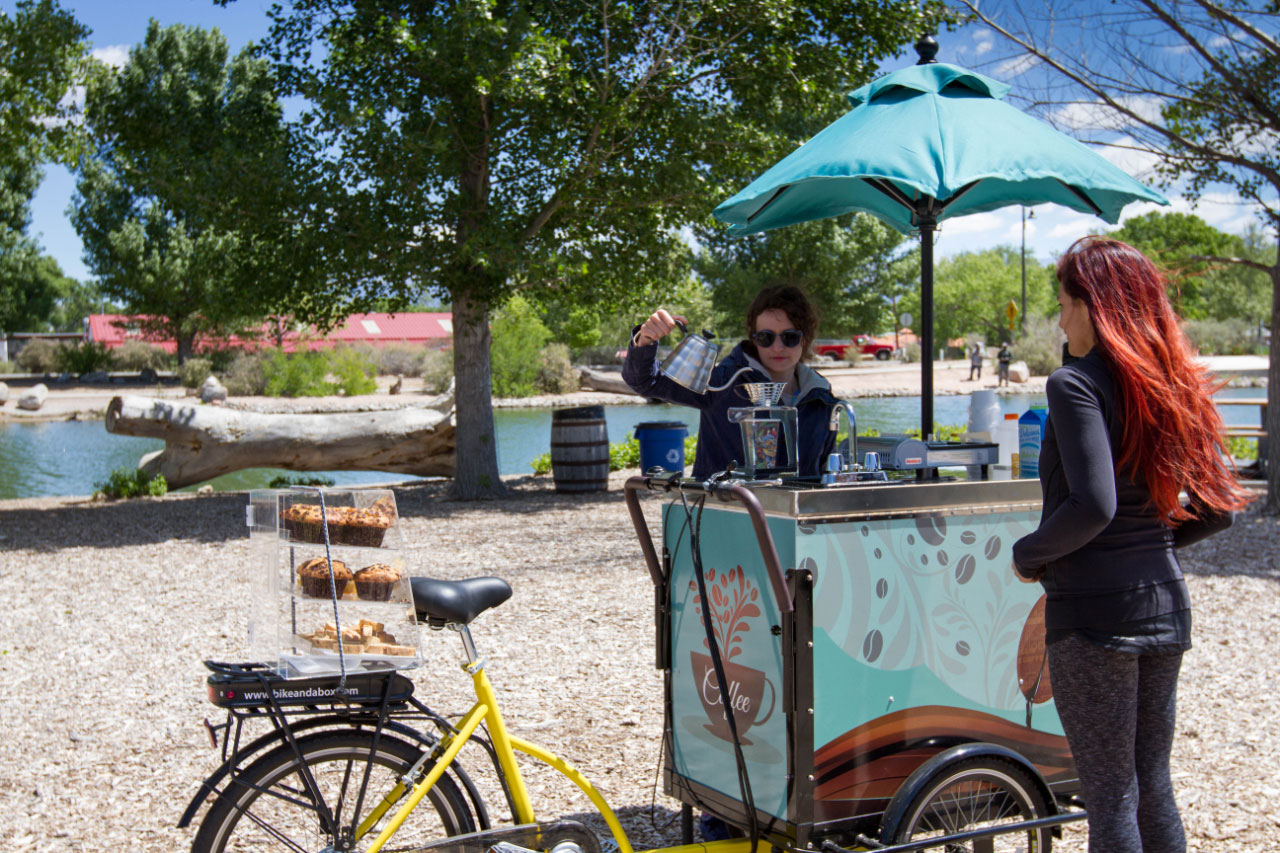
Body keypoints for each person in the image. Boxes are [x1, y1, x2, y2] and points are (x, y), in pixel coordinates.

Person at [1011, 237, 1252, 853]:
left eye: (1063, 305)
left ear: (1091, 307)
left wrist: (1029, 554)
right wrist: (1152, 545)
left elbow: (1095, 505)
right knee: (1151, 788)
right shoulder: (1170, 383)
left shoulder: (1075, 385)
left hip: (1094, 616)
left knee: (1112, 798)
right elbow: (1219, 509)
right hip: (1165, 603)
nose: (1058, 321)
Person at [622, 284, 840, 479]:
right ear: (754, 339)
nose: (777, 347)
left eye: (789, 337)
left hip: (797, 511)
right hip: (726, 509)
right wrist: (645, 340)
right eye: (766, 337)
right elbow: (645, 380)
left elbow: (826, 474)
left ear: (805, 338)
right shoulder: (723, 382)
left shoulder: (821, 396)